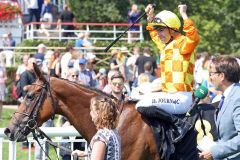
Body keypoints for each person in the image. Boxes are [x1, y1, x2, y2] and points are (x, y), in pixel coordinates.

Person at [136, 4, 200, 142]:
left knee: (142, 104)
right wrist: (150, 17)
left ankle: (180, 126)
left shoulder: (183, 43)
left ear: (172, 30)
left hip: (182, 97)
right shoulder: (165, 46)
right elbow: (153, 34)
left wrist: (183, 14)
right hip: (169, 96)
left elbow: (193, 37)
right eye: (158, 30)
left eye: (161, 30)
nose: (158, 33)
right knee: (136, 95)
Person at [199, 56, 240, 160]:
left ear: (222, 76)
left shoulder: (237, 98)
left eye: (211, 74)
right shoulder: (228, 95)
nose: (210, 78)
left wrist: (214, 151)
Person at [71, 95, 121, 160]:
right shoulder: (113, 132)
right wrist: (85, 153)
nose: (90, 113)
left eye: (91, 110)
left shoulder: (101, 137)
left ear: (97, 112)